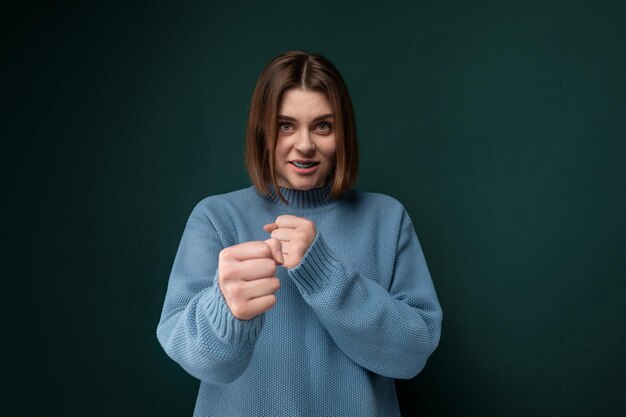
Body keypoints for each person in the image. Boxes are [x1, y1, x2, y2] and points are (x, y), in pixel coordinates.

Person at [156, 50, 442, 417]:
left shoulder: (387, 219)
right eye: (286, 125)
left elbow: (413, 354)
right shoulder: (215, 218)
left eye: (322, 125)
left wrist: (324, 273)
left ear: (343, 133)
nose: (304, 144)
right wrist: (226, 311)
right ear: (262, 129)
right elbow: (193, 357)